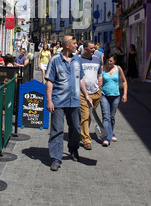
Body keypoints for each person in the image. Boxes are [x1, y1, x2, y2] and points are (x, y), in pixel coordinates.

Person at [45, 35, 93, 171]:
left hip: (75, 100)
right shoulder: (54, 60)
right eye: (74, 43)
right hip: (58, 100)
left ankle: (73, 149)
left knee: (76, 129)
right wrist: (49, 100)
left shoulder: (77, 60)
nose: (77, 46)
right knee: (57, 130)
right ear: (67, 45)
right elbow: (49, 81)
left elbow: (81, 79)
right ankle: (56, 158)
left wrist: (87, 95)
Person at [100, 53, 128, 146]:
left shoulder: (118, 68)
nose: (108, 62)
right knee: (106, 116)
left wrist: (125, 94)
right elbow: (98, 80)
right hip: (104, 95)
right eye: (107, 60)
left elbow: (124, 81)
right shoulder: (102, 68)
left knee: (112, 117)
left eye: (111, 61)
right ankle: (107, 137)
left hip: (116, 96)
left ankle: (111, 133)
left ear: (114, 61)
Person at [80, 40, 103, 150]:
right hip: (83, 93)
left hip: (96, 92)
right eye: (92, 48)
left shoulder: (97, 60)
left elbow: (99, 74)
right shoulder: (78, 60)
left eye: (94, 48)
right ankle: (86, 140)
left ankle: (83, 132)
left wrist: (100, 83)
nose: (94, 50)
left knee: (90, 115)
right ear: (85, 49)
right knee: (85, 115)